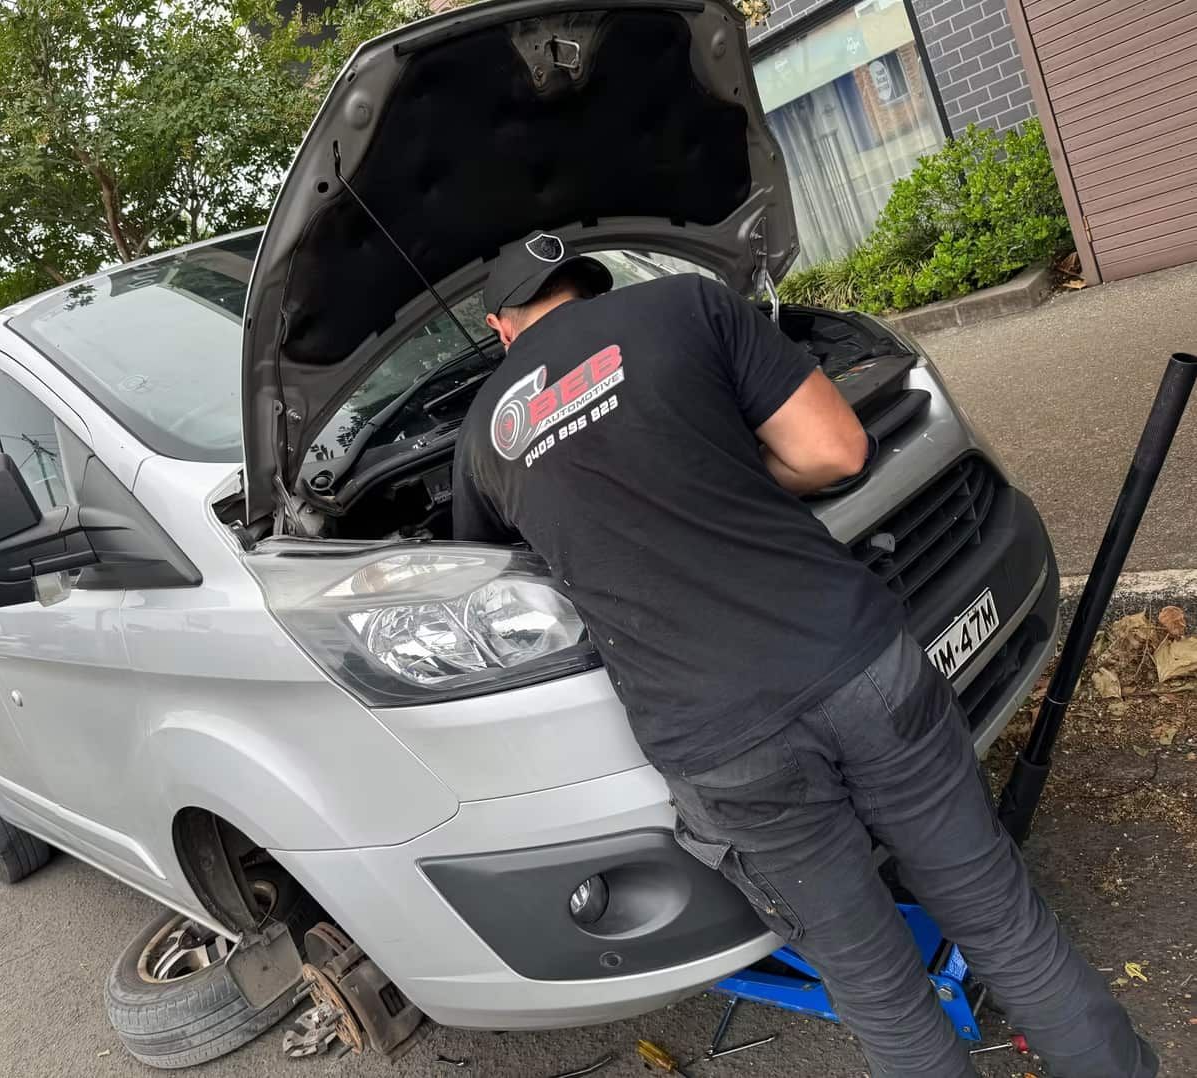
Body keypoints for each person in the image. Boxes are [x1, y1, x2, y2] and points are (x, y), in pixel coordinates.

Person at [451, 230, 1157, 1078]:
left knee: (878, 988)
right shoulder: (684, 306)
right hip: (856, 662)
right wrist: (730, 473)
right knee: (1001, 917)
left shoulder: (484, 437)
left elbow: (505, 588)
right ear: (591, 287)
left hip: (723, 741)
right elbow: (835, 451)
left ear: (502, 328)